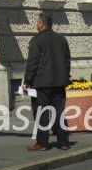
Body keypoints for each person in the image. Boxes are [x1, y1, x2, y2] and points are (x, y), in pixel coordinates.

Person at [22, 12, 71, 152]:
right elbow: (67, 61)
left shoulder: (36, 41)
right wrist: (65, 76)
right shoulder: (62, 40)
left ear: (40, 24)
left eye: (37, 22)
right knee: (59, 112)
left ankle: (42, 143)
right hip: (60, 82)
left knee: (41, 113)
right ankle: (63, 142)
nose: (36, 25)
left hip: (42, 83)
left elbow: (33, 63)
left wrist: (27, 80)